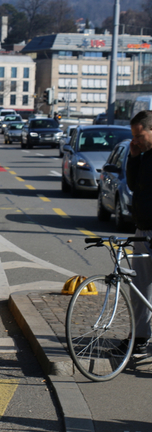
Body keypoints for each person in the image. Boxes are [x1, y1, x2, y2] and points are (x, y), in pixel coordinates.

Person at [125, 110, 152, 354]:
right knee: (139, 286)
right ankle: (140, 337)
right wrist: (133, 158)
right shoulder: (142, 156)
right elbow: (133, 186)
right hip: (142, 229)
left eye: (139, 135)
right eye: (133, 136)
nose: (135, 140)